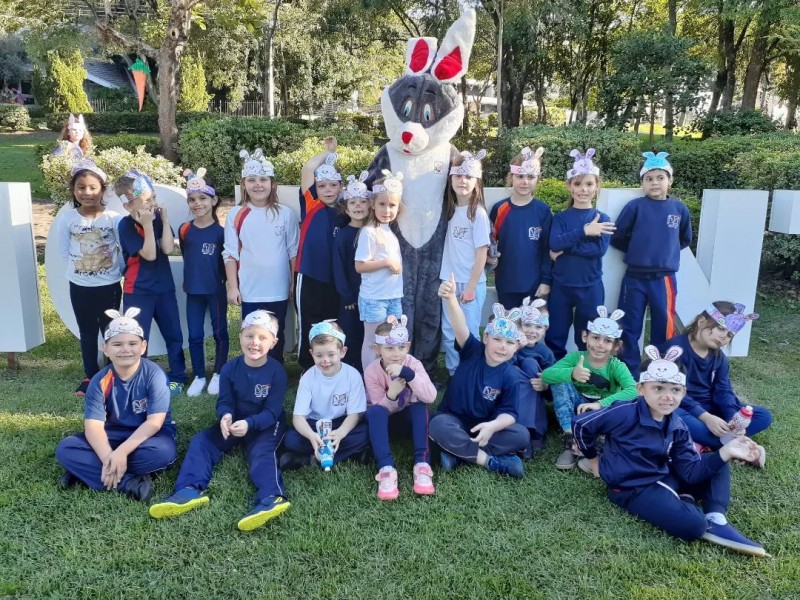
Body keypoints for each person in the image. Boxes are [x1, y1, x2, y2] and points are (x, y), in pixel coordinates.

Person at [573, 345, 767, 557]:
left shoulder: (678, 425)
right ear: (641, 389)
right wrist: (593, 460)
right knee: (694, 526)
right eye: (658, 388)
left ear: (683, 392)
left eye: (675, 390)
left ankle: (716, 518)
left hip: (663, 473)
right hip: (632, 487)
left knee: (719, 460)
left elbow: (691, 470)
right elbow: (581, 425)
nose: (667, 397)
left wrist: (727, 451)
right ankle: (686, 501)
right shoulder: (624, 411)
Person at [149, 311, 291, 531]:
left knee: (261, 452)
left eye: (262, 338)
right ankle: (187, 491)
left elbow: (272, 411)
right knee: (202, 441)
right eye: (249, 336)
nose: (254, 342)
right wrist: (225, 416)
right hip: (236, 422)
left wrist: (250, 424)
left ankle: (272, 497)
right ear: (240, 336)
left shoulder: (277, 372)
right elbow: (224, 401)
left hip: (267, 423)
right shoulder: (229, 369)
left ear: (274, 342)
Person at [55, 308, 177, 501]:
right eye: (117, 344)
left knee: (163, 453)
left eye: (132, 343)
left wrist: (121, 452)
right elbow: (93, 426)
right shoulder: (100, 380)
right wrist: (107, 459)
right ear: (106, 348)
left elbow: (154, 423)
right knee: (66, 449)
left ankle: (84, 472)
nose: (125, 349)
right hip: (111, 435)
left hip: (149, 437)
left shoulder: (154, 375)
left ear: (143, 346)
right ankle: (129, 483)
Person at [429, 275, 531, 479]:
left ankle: (457, 455)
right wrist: (451, 298)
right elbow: (460, 325)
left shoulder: (511, 375)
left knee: (521, 435)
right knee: (437, 425)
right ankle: (490, 461)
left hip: (486, 428)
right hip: (454, 420)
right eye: (497, 339)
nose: (502, 347)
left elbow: (510, 414)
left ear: (516, 348)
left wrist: (493, 426)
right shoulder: (472, 350)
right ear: (485, 338)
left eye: (509, 343)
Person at [611, 152, 692, 377]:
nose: (654, 183)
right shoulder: (635, 207)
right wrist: (638, 252)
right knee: (629, 323)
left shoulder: (679, 209)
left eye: (660, 178)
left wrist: (664, 254)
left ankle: (660, 368)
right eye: (649, 179)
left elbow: (684, 239)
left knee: (664, 323)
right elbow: (618, 237)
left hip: (664, 278)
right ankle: (628, 371)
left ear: (670, 181)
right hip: (634, 277)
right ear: (642, 183)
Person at [661, 301, 771, 464]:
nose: (724, 337)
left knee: (764, 416)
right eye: (721, 328)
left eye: (729, 335)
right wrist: (706, 418)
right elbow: (670, 390)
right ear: (701, 322)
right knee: (671, 416)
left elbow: (723, 390)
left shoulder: (719, 358)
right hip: (681, 407)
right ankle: (739, 448)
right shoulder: (674, 349)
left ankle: (714, 441)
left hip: (711, 407)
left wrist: (733, 418)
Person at [223, 148, 299, 362]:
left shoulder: (285, 214)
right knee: (253, 336)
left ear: (272, 184)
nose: (258, 185)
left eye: (263, 179)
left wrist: (293, 282)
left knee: (276, 336)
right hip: (251, 290)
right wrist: (233, 287)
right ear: (243, 184)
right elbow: (230, 254)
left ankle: (275, 372)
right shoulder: (236, 214)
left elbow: (293, 251)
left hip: (279, 289)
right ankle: (254, 371)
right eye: (252, 180)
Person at [115, 170, 186, 396]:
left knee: (173, 334)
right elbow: (149, 254)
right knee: (137, 337)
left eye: (153, 197)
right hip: (138, 291)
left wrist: (164, 221)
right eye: (146, 200)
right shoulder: (126, 225)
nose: (152, 203)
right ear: (129, 206)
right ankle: (138, 378)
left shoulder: (157, 220)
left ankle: (178, 376)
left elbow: (167, 248)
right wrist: (146, 226)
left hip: (164, 288)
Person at [541, 306, 637, 470]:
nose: (600, 345)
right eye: (595, 337)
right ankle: (570, 439)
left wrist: (600, 404)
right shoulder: (576, 357)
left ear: (616, 345)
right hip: (578, 407)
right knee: (560, 382)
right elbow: (546, 375)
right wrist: (572, 373)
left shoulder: (616, 366)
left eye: (607, 341)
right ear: (585, 336)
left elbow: (633, 390)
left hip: (602, 411)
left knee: (624, 406)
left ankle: (597, 441)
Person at [57, 158, 123, 397]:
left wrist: (115, 272)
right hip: (80, 286)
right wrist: (82, 271)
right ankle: (90, 376)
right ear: (73, 190)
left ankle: (112, 374)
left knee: (110, 331)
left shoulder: (113, 218)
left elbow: (122, 250)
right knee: (87, 332)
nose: (87, 192)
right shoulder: (68, 218)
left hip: (109, 286)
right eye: (81, 187)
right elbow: (65, 251)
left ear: (102, 190)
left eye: (93, 187)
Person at [547, 148, 615, 359]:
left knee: (588, 335)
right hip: (562, 286)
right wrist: (585, 231)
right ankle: (556, 373)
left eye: (589, 184)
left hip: (590, 286)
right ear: (569, 186)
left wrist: (566, 249)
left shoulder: (602, 218)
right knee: (555, 334)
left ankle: (586, 372)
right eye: (577, 184)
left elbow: (599, 250)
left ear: (597, 186)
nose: (583, 189)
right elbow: (554, 242)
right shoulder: (561, 218)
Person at [364, 315, 437, 500]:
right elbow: (379, 408)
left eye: (401, 347)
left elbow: (430, 396)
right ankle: (386, 468)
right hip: (385, 424)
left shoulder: (413, 364)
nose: (396, 353)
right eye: (389, 348)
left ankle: (422, 464)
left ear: (408, 346)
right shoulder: (372, 371)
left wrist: (409, 375)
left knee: (420, 406)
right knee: (374, 412)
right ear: (378, 350)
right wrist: (392, 394)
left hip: (409, 421)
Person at [279, 320, 369, 470]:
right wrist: (311, 436)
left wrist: (340, 433)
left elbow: (355, 414)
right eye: (319, 355)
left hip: (340, 423)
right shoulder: (308, 377)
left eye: (331, 354)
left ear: (343, 351)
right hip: (315, 424)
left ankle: (308, 459)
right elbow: (298, 417)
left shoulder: (353, 375)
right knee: (290, 439)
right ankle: (350, 454)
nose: (325, 360)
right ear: (312, 354)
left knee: (365, 432)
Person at [439, 150, 491, 376]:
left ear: (476, 181)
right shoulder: (448, 210)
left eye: (468, 176)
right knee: (449, 330)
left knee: (469, 332)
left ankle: (472, 374)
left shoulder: (477, 213)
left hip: (471, 283)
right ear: (451, 179)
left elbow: (482, 254)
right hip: (449, 282)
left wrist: (470, 287)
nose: (462, 181)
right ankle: (454, 373)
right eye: (458, 176)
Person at [178, 168, 228, 397]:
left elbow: (225, 263)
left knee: (220, 332)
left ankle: (218, 373)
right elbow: (187, 256)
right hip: (193, 292)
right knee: (194, 335)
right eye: (192, 199)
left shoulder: (221, 233)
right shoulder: (185, 229)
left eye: (203, 198)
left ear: (213, 200)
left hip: (215, 290)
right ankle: (199, 376)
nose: (197, 203)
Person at [296, 137, 345, 370]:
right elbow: (308, 168)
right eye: (322, 185)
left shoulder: (345, 211)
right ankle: (307, 367)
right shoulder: (312, 203)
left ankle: (331, 365)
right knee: (309, 322)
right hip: (310, 275)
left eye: (333, 185)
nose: (327, 190)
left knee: (333, 323)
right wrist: (329, 152)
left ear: (341, 187)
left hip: (335, 278)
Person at [489, 147, 553, 309]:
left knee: (530, 325)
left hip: (535, 286)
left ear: (537, 179)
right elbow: (490, 244)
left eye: (530, 177)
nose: (525, 181)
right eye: (520, 176)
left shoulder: (543, 211)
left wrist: (546, 280)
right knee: (508, 324)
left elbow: (548, 249)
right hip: (506, 283)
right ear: (512, 177)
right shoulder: (499, 209)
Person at [355, 170, 404, 372]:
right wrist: (386, 262)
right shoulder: (369, 232)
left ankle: (387, 376)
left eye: (392, 205)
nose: (387, 210)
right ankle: (369, 380)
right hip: (374, 298)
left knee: (391, 339)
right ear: (373, 204)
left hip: (393, 297)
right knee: (372, 342)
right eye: (382, 204)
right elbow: (360, 265)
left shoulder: (389, 231)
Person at [333, 171, 371, 373]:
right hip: (350, 298)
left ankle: (368, 373)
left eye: (362, 202)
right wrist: (347, 296)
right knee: (351, 335)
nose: (358, 206)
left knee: (368, 335)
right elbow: (338, 268)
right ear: (346, 208)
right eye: (353, 202)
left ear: (370, 205)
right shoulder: (343, 236)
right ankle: (349, 373)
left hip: (371, 295)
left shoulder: (373, 232)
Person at [514, 297, 555, 456]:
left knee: (531, 364)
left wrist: (546, 385)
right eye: (527, 325)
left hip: (534, 398)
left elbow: (554, 388)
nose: (532, 330)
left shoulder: (545, 353)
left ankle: (531, 430)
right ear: (519, 326)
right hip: (510, 393)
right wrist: (516, 348)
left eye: (538, 326)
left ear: (545, 329)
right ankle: (521, 432)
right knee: (525, 365)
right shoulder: (510, 344)